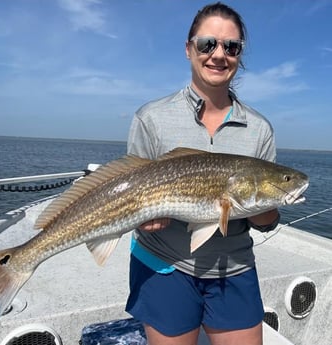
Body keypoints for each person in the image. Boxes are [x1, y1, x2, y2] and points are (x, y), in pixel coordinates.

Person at [125, 2, 280, 345]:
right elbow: (130, 196)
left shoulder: (259, 129)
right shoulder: (151, 118)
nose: (219, 55)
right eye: (208, 44)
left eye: (231, 47)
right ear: (189, 48)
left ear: (239, 55)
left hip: (233, 268)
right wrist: (141, 217)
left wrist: (267, 209)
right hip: (163, 265)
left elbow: (266, 220)